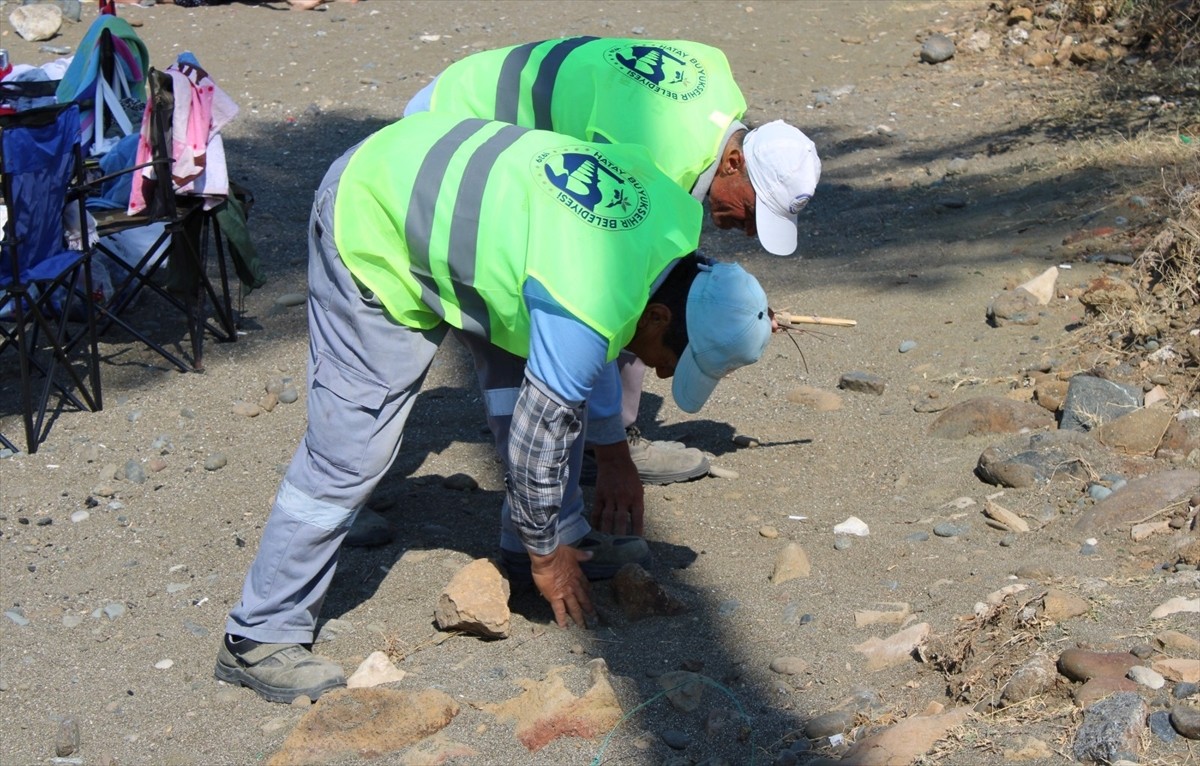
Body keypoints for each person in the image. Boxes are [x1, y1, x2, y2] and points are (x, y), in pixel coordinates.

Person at [214, 112, 773, 703]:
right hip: (377, 210)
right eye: (672, 360)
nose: (661, 374)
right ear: (659, 316)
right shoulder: (587, 297)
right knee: (351, 447)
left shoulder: (677, 231)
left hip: (472, 209)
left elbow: (574, 384)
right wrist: (546, 555)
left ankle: (534, 542)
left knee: (531, 391)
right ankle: (258, 635)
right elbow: (539, 438)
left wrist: (608, 465)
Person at [404, 37, 820, 490]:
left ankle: (590, 439)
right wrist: (613, 453)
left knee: (639, 287)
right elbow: (601, 296)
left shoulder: (717, 95)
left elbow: (660, 279)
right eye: (754, 212)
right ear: (734, 162)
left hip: (476, 91)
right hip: (454, 125)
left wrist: (733, 307)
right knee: (535, 306)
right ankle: (586, 449)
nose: (750, 232)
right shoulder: (656, 163)